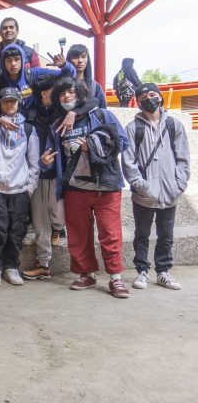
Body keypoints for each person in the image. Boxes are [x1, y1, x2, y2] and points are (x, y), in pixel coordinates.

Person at [41, 77, 131, 298]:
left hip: (106, 187)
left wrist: (93, 146)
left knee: (110, 233)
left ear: (80, 94)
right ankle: (86, 274)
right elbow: (51, 152)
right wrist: (46, 160)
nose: (67, 97)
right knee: (78, 234)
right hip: (74, 188)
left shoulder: (101, 115)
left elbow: (123, 141)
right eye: (62, 94)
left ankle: (116, 278)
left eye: (70, 92)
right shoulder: (57, 124)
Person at [122, 83, 190, 290]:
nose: (148, 99)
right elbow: (128, 161)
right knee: (141, 234)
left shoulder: (174, 125)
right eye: (143, 96)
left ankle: (163, 272)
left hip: (170, 192)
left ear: (159, 97)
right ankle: (142, 271)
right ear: (138, 102)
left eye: (152, 94)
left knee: (166, 235)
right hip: (143, 194)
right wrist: (141, 186)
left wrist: (179, 184)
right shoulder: (133, 128)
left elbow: (183, 158)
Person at [0, 87, 40, 287]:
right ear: (0, 105)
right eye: (6, 101)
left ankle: (11, 267)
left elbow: (33, 162)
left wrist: (30, 186)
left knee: (17, 231)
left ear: (19, 103)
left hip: (20, 190)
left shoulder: (29, 130)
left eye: (13, 101)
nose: (10, 104)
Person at [20, 74, 66, 281]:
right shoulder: (30, 112)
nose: (48, 94)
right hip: (37, 172)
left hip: (59, 174)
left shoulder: (65, 112)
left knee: (58, 216)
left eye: (51, 90)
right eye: (44, 91)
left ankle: (59, 229)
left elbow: (90, 102)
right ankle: (43, 264)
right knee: (39, 222)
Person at [0, 43, 75, 128]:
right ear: (3, 63)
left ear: (22, 60)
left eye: (17, 59)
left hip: (34, 127)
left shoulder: (34, 73)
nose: (13, 64)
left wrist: (64, 65)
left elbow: (70, 75)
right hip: (7, 130)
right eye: (9, 60)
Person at [0, 17, 41, 105]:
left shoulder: (30, 53)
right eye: (5, 28)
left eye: (11, 27)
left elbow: (38, 81)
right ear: (0, 33)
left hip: (26, 103)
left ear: (17, 31)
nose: (8, 30)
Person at [51, 44, 106, 109]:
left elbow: (103, 111)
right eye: (75, 57)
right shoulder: (59, 83)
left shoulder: (95, 86)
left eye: (83, 57)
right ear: (68, 60)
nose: (80, 60)